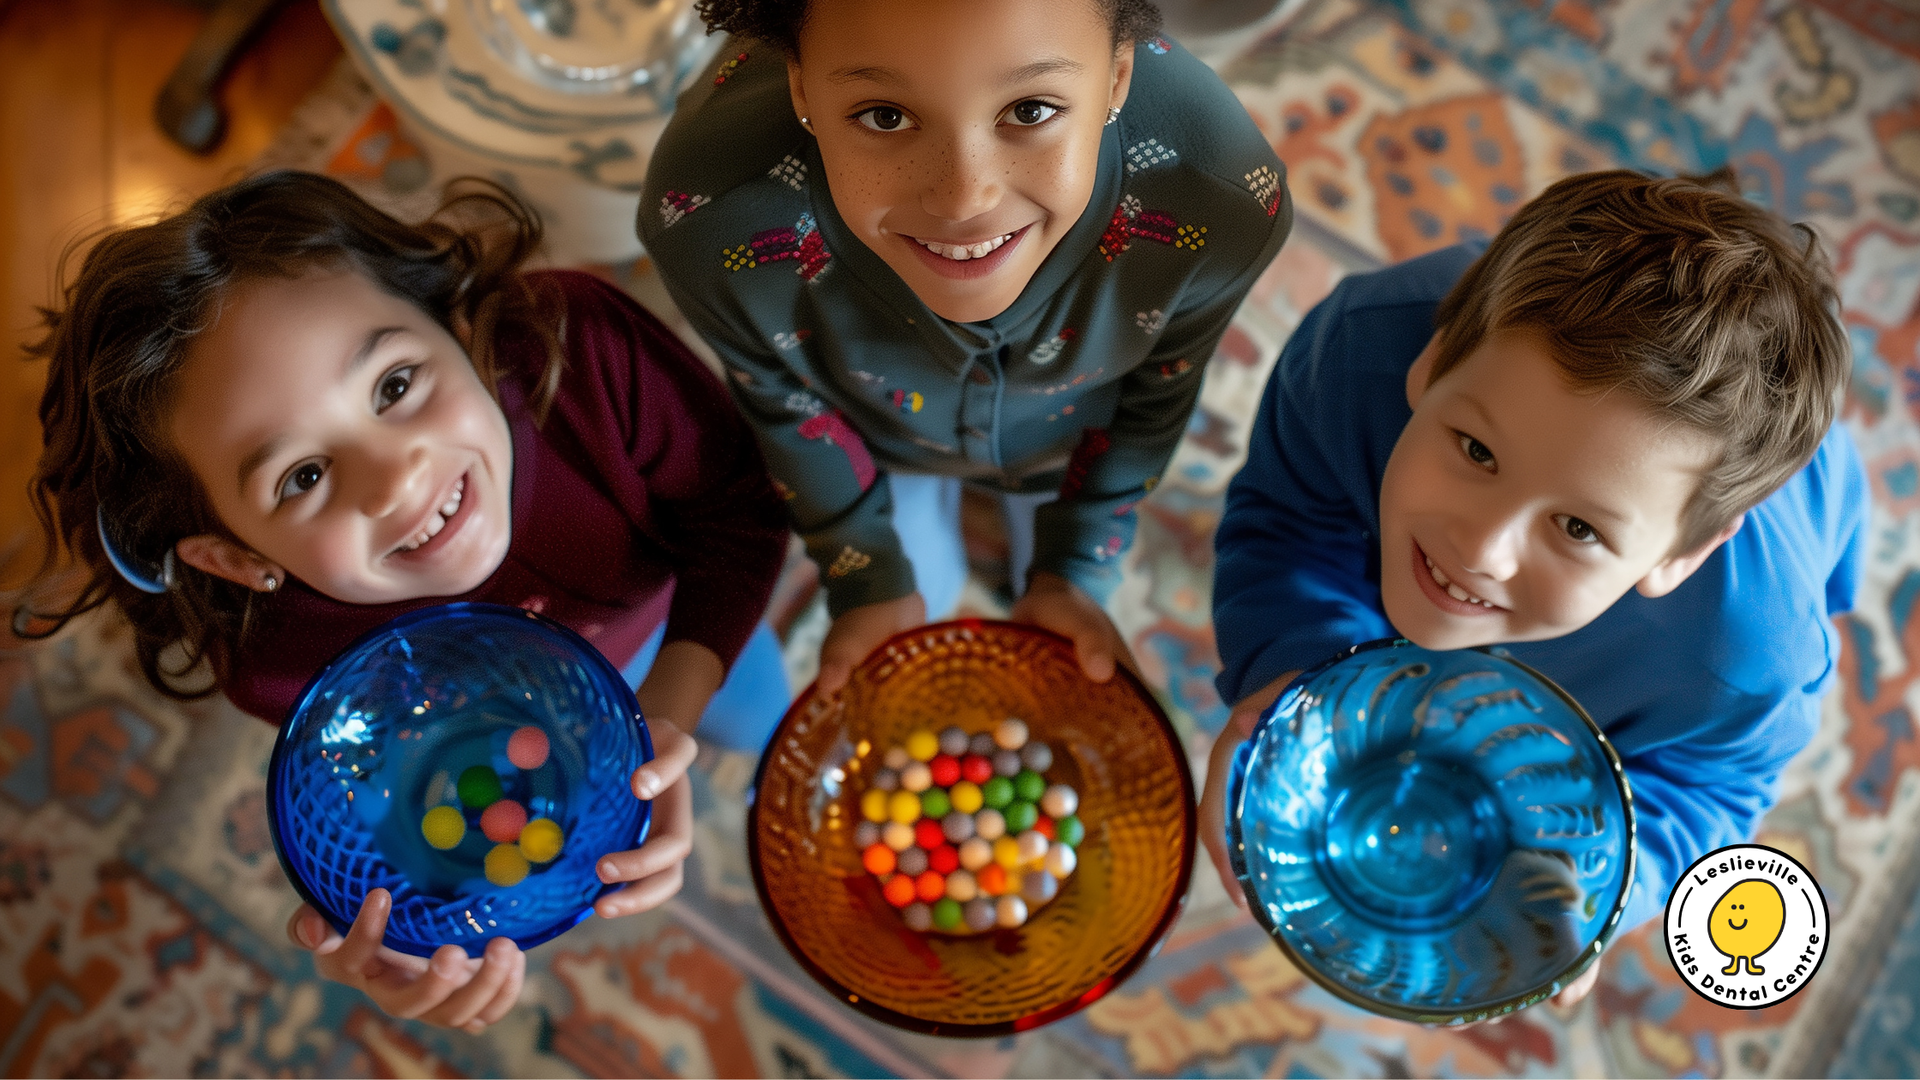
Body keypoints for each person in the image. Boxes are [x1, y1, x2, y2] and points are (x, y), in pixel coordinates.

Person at [15, 171, 793, 1031]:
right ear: (236, 558)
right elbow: (399, 806)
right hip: (508, 726)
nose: (395, 481)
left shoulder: (583, 346)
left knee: (760, 722)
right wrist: (404, 941)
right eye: (303, 476)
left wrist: (670, 710)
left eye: (393, 386)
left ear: (457, 325)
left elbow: (738, 512)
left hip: (675, 621)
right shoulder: (284, 671)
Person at [1201, 168, 1867, 1007]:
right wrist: (1288, 669)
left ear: (1680, 557)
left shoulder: (1744, 654)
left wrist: (1610, 883)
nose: (1482, 549)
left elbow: (1714, 785)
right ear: (1434, 361)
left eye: (1579, 529)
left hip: (1801, 534)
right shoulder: (1358, 348)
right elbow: (1290, 520)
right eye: (1476, 450)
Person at [639, 0, 1291, 692]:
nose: (962, 199)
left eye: (1032, 110)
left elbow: (1162, 387)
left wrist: (1073, 569)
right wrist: (866, 572)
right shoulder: (710, 224)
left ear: (1118, 77)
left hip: (1070, 436)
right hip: (879, 438)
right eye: (885, 116)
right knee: (919, 592)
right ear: (801, 87)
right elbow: (783, 398)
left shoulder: (1221, 207)